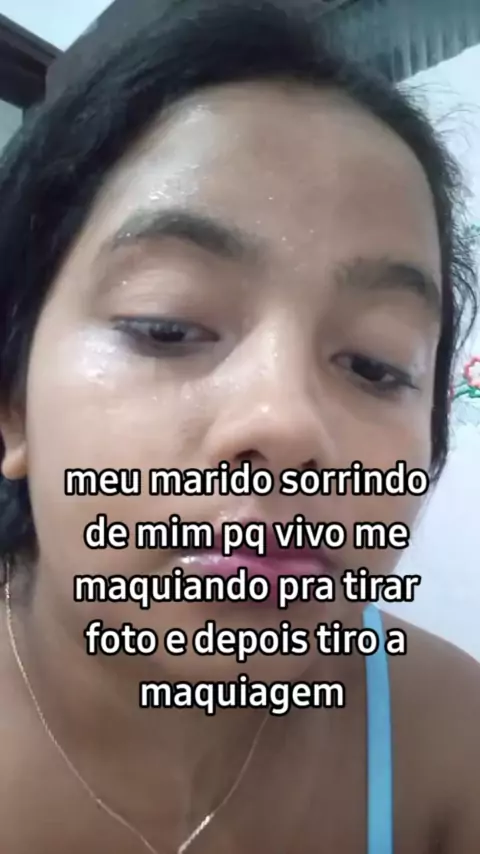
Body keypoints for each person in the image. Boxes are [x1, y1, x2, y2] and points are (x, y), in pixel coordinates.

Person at [0, 0, 479, 852]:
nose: (287, 425)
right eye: (168, 326)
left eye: (376, 365)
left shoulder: (451, 738)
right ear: (13, 405)